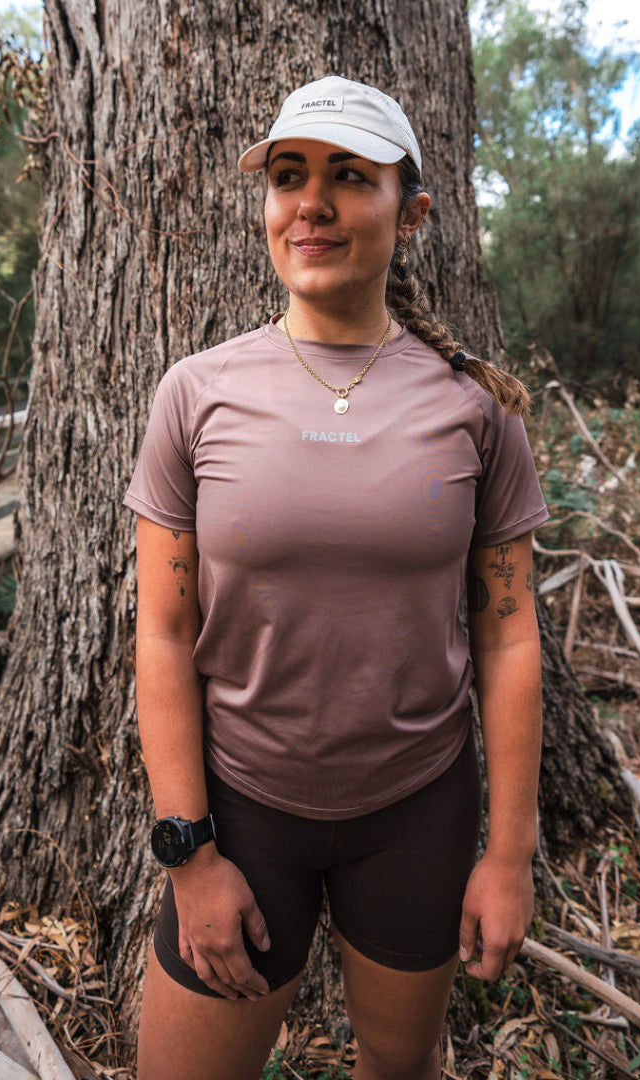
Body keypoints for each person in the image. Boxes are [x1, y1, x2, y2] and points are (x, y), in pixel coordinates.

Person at [124, 75, 548, 1080]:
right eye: (289, 175)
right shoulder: (197, 393)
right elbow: (161, 634)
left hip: (415, 813)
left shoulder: (478, 410)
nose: (310, 201)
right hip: (244, 809)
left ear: (412, 214)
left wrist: (506, 855)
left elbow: (511, 636)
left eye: (349, 177)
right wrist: (190, 853)